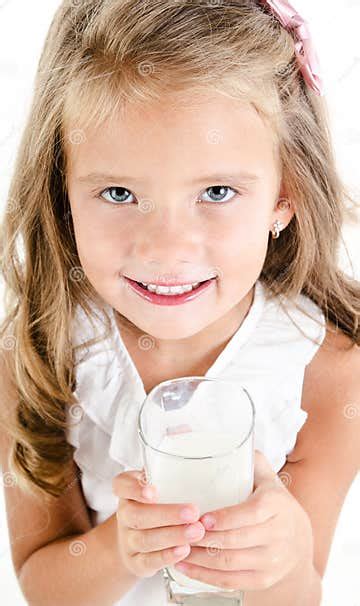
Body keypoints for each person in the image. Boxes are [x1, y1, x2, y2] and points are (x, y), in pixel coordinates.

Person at [0, 1, 359, 605]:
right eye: (118, 192)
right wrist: (118, 549)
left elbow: (303, 595)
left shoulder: (328, 369)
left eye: (216, 191)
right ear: (63, 195)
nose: (167, 250)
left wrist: (285, 555)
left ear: (285, 196)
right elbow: (44, 585)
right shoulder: (39, 353)